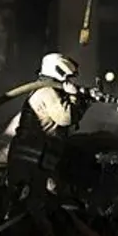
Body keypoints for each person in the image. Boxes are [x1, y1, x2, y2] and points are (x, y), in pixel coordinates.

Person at [7, 53, 92, 220]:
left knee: (41, 198)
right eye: (67, 77)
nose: (69, 81)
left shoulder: (47, 90)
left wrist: (82, 101)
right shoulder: (47, 91)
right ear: (59, 72)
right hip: (32, 157)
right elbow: (66, 118)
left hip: (35, 155)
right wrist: (74, 97)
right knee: (33, 202)